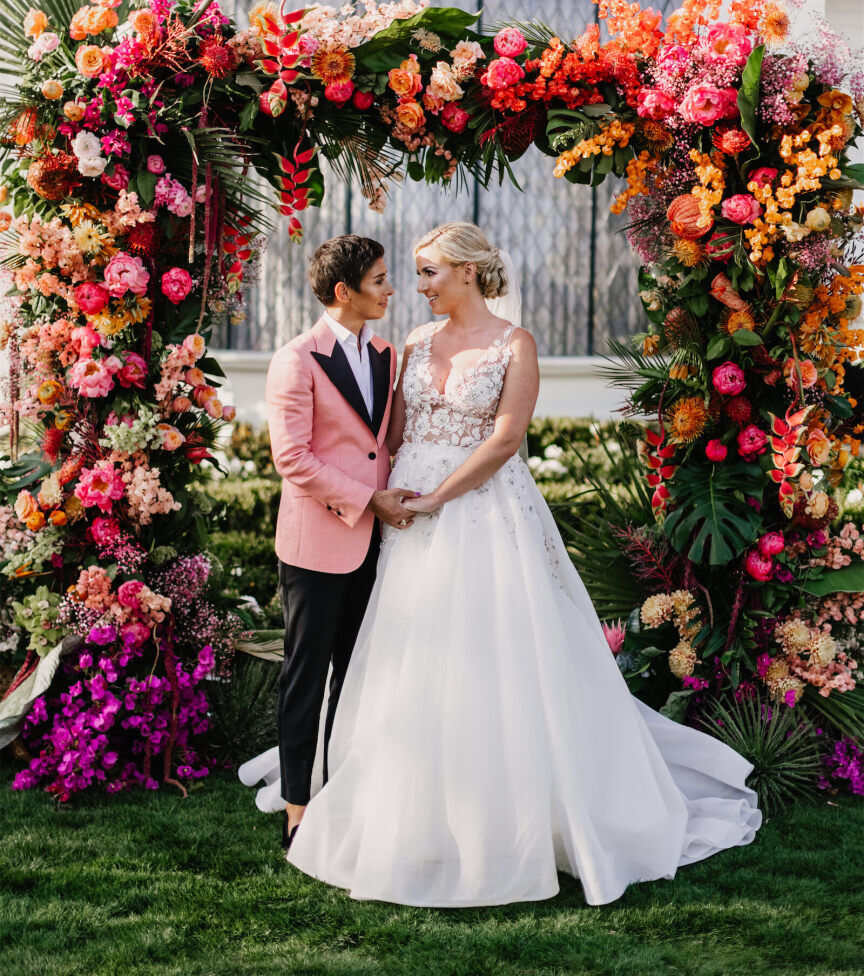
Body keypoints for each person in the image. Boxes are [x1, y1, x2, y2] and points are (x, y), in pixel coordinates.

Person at [245, 222, 761, 907]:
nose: (415, 285)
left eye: (428, 272)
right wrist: (390, 500)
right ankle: (388, 797)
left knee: (494, 655)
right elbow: (388, 435)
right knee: (403, 656)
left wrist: (435, 498)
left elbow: (506, 439)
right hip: (402, 522)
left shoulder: (516, 344)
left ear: (466, 272)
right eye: (410, 274)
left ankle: (507, 808)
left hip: (480, 511)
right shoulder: (411, 345)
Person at [243, 235, 417, 851]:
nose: (391, 289)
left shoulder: (387, 353)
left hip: (378, 543)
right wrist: (369, 499)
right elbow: (292, 458)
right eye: (379, 279)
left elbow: (380, 443)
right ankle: (297, 808)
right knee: (306, 677)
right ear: (344, 291)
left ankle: (346, 792)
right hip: (317, 543)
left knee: (359, 675)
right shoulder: (296, 359)